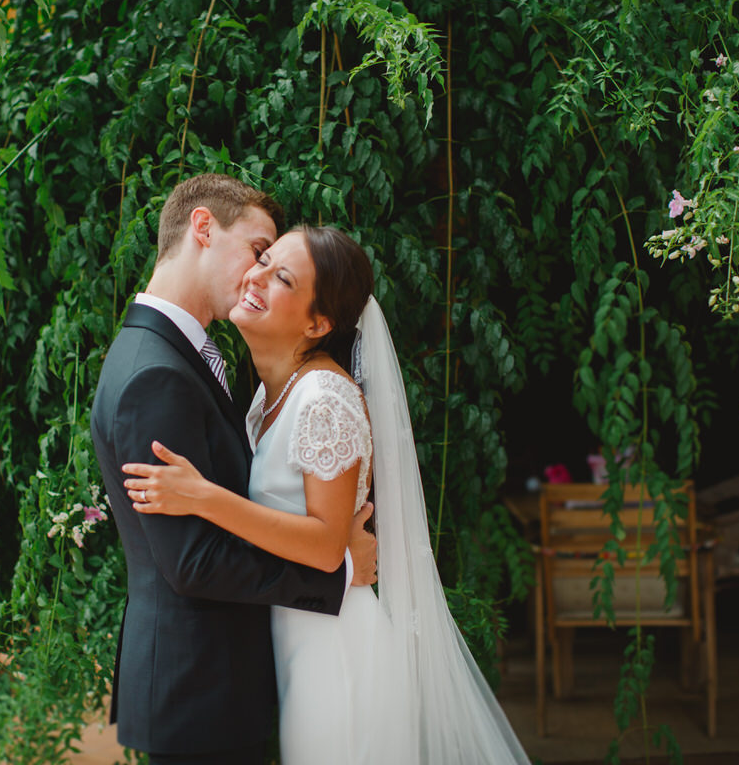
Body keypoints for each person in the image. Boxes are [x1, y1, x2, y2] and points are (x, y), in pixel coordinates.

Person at [122, 225, 532, 764]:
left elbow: (323, 545)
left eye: (282, 277)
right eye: (263, 260)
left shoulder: (323, 398)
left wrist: (202, 497)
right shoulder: (269, 398)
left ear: (318, 323)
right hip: (297, 640)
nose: (257, 277)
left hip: (335, 652)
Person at [90, 176, 378, 765]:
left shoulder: (178, 358)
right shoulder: (157, 373)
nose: (255, 274)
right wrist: (339, 568)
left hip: (222, 686)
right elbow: (193, 562)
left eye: (275, 267)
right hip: (201, 690)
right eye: (258, 252)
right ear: (202, 229)